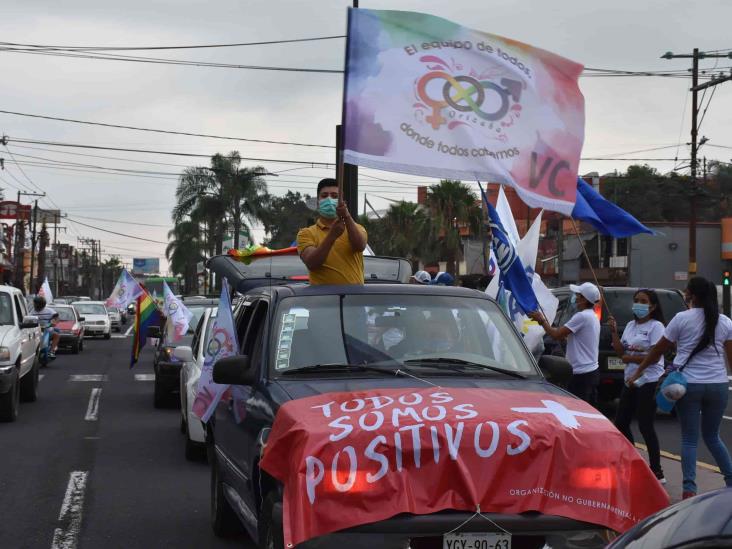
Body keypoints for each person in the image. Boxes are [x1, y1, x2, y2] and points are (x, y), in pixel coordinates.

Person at [629, 277, 732, 498]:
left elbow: (658, 350)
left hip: (689, 385)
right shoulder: (724, 321)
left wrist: (639, 371)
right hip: (718, 385)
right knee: (713, 437)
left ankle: (689, 489)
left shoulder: (681, 318)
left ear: (692, 295)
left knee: (689, 438)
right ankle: (730, 481)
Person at [608, 289, 666, 483]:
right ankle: (635, 462)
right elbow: (619, 351)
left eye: (643, 301)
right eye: (636, 301)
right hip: (630, 380)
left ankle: (657, 471)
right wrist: (614, 332)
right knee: (621, 423)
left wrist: (629, 358)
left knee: (645, 425)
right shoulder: (631, 325)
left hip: (648, 380)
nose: (638, 304)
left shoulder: (656, 326)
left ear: (653, 306)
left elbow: (655, 355)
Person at [529, 282, 601, 404]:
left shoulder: (582, 316)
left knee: (577, 411)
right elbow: (577, 339)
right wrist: (563, 338)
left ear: (584, 299)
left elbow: (555, 335)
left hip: (581, 375)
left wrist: (542, 321)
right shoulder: (592, 316)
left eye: (578, 295)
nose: (576, 298)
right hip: (590, 372)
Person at [297, 178, 368, 285]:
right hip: (323, 299)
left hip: (354, 298)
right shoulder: (305, 233)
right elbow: (312, 263)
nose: (329, 199)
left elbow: (360, 246)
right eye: (324, 196)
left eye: (335, 196)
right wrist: (332, 236)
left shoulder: (357, 228)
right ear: (317, 202)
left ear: (343, 203)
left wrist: (347, 216)